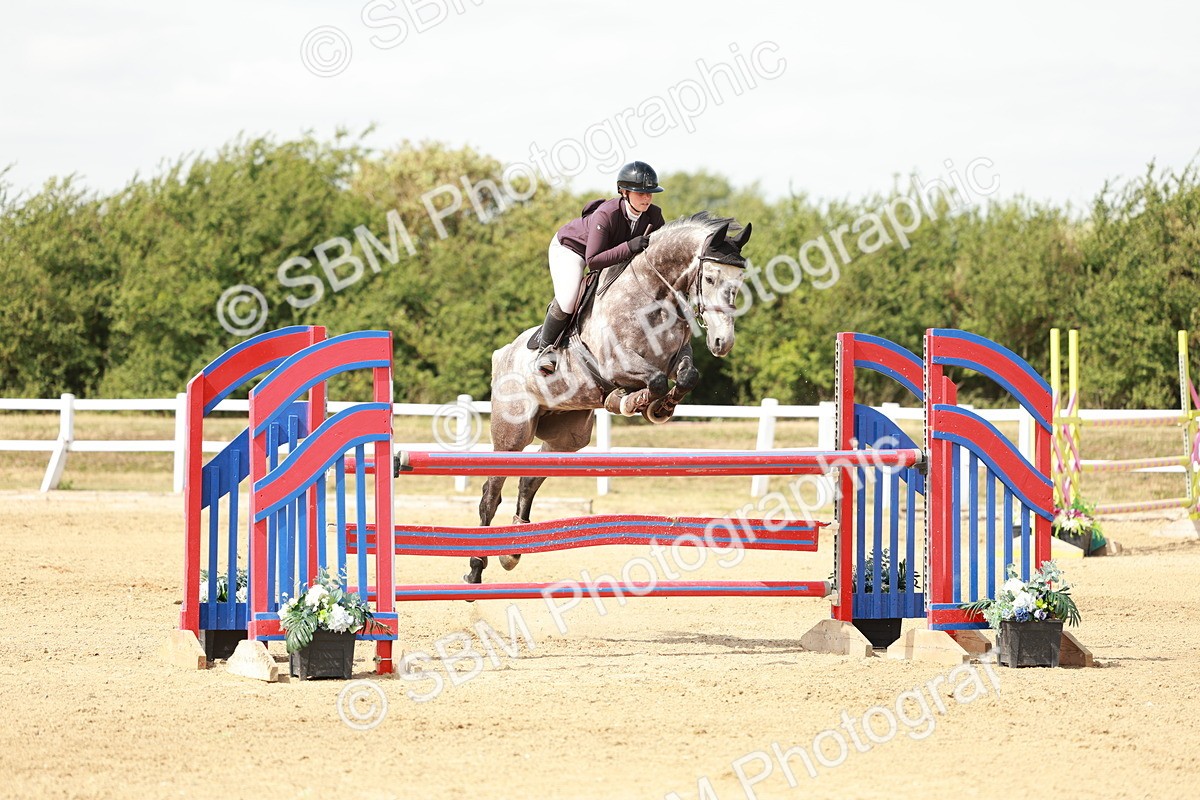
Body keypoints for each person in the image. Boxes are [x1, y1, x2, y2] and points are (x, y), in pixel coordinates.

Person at [532, 160, 667, 375]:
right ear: (624, 192)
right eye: (640, 193)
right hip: (572, 249)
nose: (647, 198)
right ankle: (545, 350)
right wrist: (629, 246)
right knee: (568, 298)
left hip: (608, 255)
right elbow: (593, 260)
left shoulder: (654, 216)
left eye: (650, 193)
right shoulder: (607, 214)